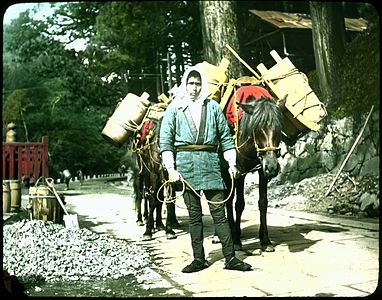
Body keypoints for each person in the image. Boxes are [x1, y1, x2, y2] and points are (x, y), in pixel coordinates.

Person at [159, 65, 252, 273]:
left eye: (198, 83)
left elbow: (226, 138)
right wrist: (171, 169)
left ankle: (231, 258)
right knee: (194, 216)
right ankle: (199, 259)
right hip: (186, 165)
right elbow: (165, 141)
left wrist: (231, 163)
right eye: (191, 83)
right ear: (185, 84)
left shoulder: (213, 108)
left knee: (219, 214)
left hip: (210, 163)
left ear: (203, 85)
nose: (194, 88)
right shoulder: (174, 109)